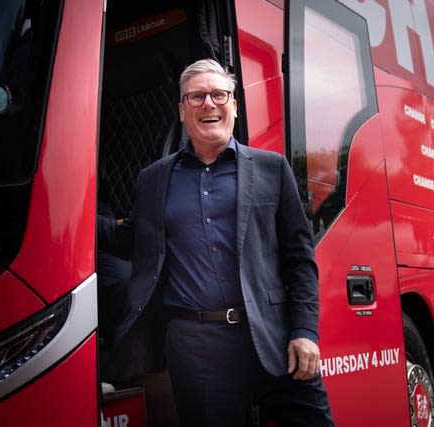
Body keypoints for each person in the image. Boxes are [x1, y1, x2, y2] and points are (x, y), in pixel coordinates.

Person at [98, 58, 334, 426]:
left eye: (219, 94)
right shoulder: (153, 179)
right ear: (181, 110)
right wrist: (73, 217)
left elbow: (299, 259)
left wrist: (305, 332)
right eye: (196, 97)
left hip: (275, 337)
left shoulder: (273, 168)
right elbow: (134, 241)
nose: (208, 103)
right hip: (196, 348)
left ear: (234, 106)